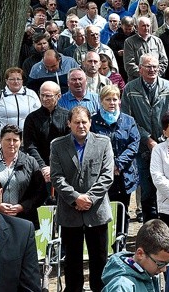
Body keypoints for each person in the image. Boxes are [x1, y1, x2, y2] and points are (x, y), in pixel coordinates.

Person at [50, 106, 114, 292]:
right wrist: (76, 198)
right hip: (70, 213)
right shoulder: (58, 145)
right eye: (76, 122)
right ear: (69, 123)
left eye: (84, 122)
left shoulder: (103, 143)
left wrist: (90, 199)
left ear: (90, 122)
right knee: (72, 261)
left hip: (97, 212)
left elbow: (107, 175)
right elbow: (56, 177)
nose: (81, 126)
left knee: (100, 260)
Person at [122, 54, 169, 223]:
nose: (152, 70)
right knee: (147, 192)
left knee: (168, 188)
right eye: (148, 66)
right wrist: (147, 139)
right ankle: (150, 227)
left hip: (167, 146)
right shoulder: (130, 89)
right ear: (140, 69)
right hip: (142, 150)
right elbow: (127, 120)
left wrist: (164, 138)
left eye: (155, 66)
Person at [0, 125, 46, 229]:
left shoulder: (30, 162)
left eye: (15, 140)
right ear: (0, 140)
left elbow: (40, 192)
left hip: (24, 219)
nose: (11, 144)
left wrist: (22, 207)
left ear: (21, 141)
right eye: (8, 140)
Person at [91, 85, 140, 227]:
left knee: (122, 211)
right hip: (102, 174)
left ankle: (121, 240)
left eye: (115, 99)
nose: (112, 103)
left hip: (125, 174)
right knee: (104, 211)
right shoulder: (93, 122)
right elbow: (92, 146)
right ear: (101, 101)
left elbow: (134, 144)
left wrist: (118, 164)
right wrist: (110, 165)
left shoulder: (128, 120)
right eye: (108, 99)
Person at [101, 219, 169, 292]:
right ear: (140, 254)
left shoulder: (150, 274)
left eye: (168, 263)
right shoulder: (121, 286)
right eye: (160, 264)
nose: (164, 269)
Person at [0, 67, 40, 137]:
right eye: (12, 79)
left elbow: (38, 116)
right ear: (6, 81)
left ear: (22, 81)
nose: (16, 81)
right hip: (5, 137)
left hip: (27, 137)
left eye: (18, 79)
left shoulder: (31, 94)